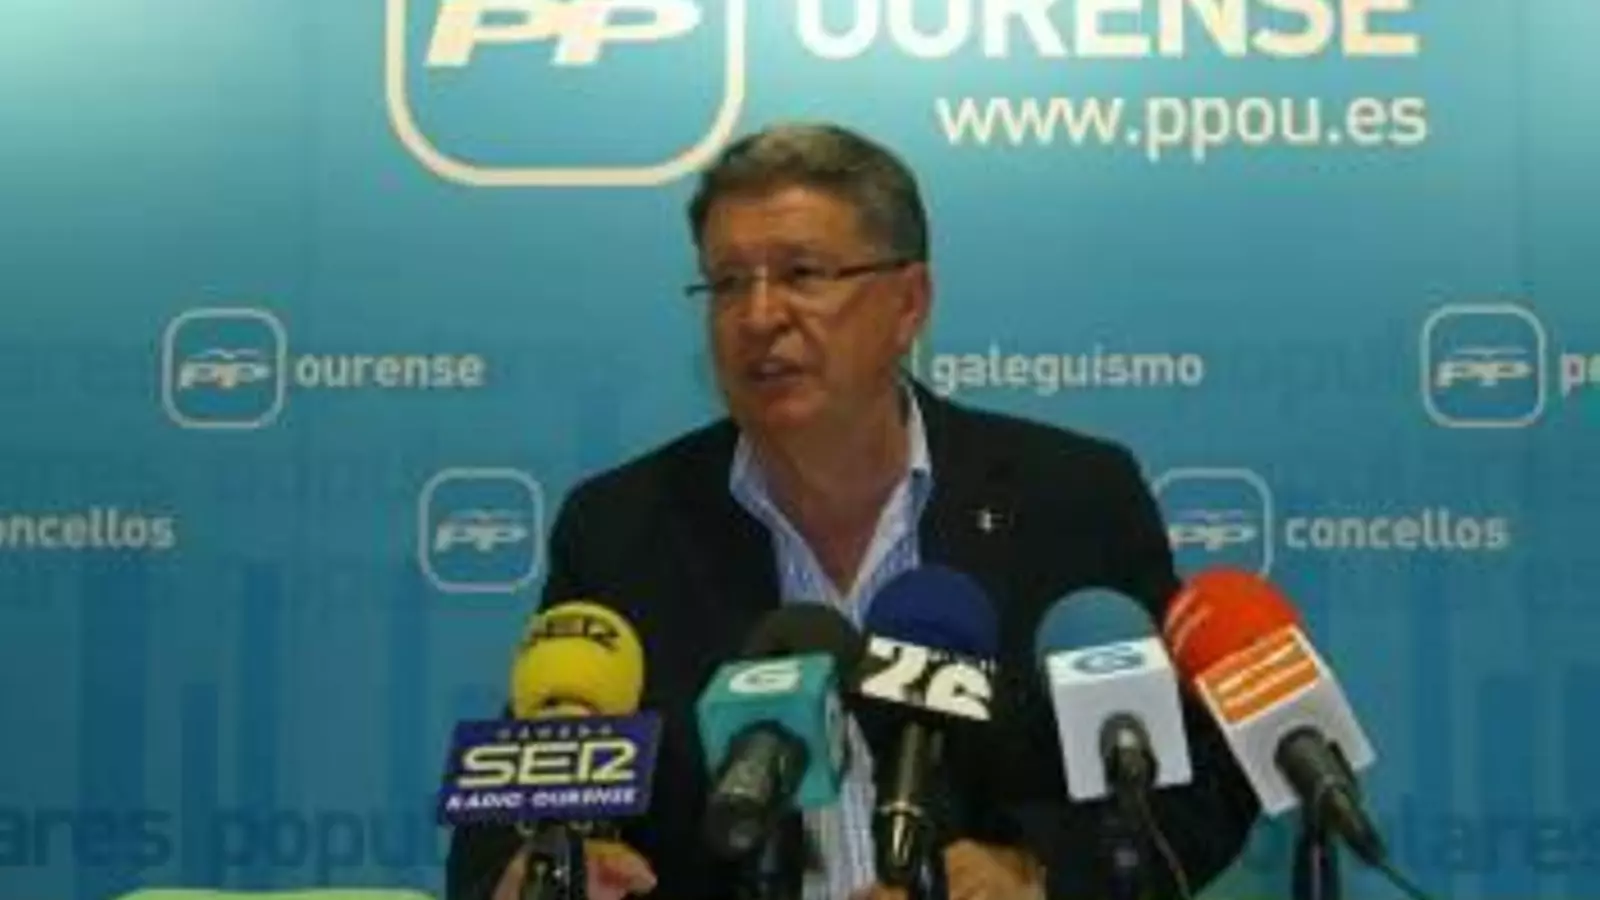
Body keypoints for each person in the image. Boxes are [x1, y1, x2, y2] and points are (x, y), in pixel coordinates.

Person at [446, 122, 1261, 900]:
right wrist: (542, 871)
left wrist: (1035, 873)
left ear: (909, 304)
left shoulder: (1070, 501)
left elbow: (1198, 782)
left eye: (802, 274)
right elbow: (514, 816)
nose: (759, 316)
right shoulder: (622, 530)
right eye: (728, 282)